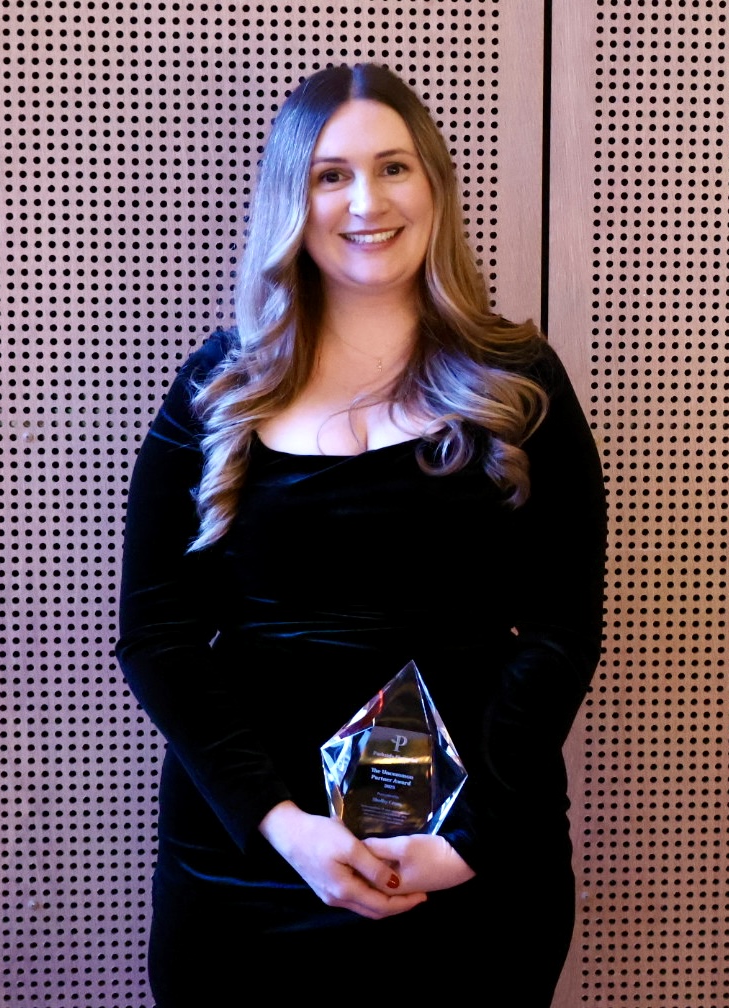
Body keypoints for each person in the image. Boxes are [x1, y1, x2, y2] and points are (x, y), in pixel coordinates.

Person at [116, 62, 606, 1004]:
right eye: (330, 175)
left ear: (433, 186)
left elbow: (561, 631)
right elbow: (158, 635)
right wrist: (285, 828)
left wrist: (471, 840)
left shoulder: (519, 381)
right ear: (290, 201)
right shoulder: (219, 389)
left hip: (471, 858)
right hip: (252, 864)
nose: (367, 202)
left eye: (393, 167)